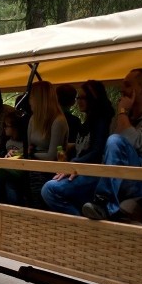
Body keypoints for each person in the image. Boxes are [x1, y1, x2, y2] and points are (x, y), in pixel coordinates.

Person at [42, 69, 142, 220]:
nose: (122, 89)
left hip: (141, 181)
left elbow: (129, 142)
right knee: (50, 189)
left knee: (115, 140)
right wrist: (78, 166)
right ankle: (85, 231)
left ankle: (103, 202)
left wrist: (122, 111)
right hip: (111, 175)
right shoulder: (123, 117)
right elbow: (109, 152)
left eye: (127, 85)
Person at [42, 80, 115, 212]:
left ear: (94, 99)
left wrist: (74, 164)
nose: (79, 101)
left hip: (93, 174)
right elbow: (84, 147)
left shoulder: (101, 122)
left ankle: (78, 223)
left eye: (83, 98)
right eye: (78, 97)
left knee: (49, 189)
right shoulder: (86, 122)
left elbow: (97, 151)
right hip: (80, 169)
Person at [0, 81, 68, 207]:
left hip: (48, 170)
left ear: (40, 99)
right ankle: (11, 214)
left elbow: (52, 155)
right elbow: (28, 147)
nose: (29, 101)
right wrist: (17, 153)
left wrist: (31, 153)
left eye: (31, 97)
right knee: (3, 179)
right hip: (31, 165)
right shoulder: (33, 119)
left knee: (31, 184)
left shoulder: (58, 121)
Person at [0, 111, 27, 205]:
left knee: (10, 185)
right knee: (0, 180)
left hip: (19, 172)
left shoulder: (25, 143)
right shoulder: (6, 141)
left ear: (15, 127)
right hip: (6, 170)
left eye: (6, 125)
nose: (4, 128)